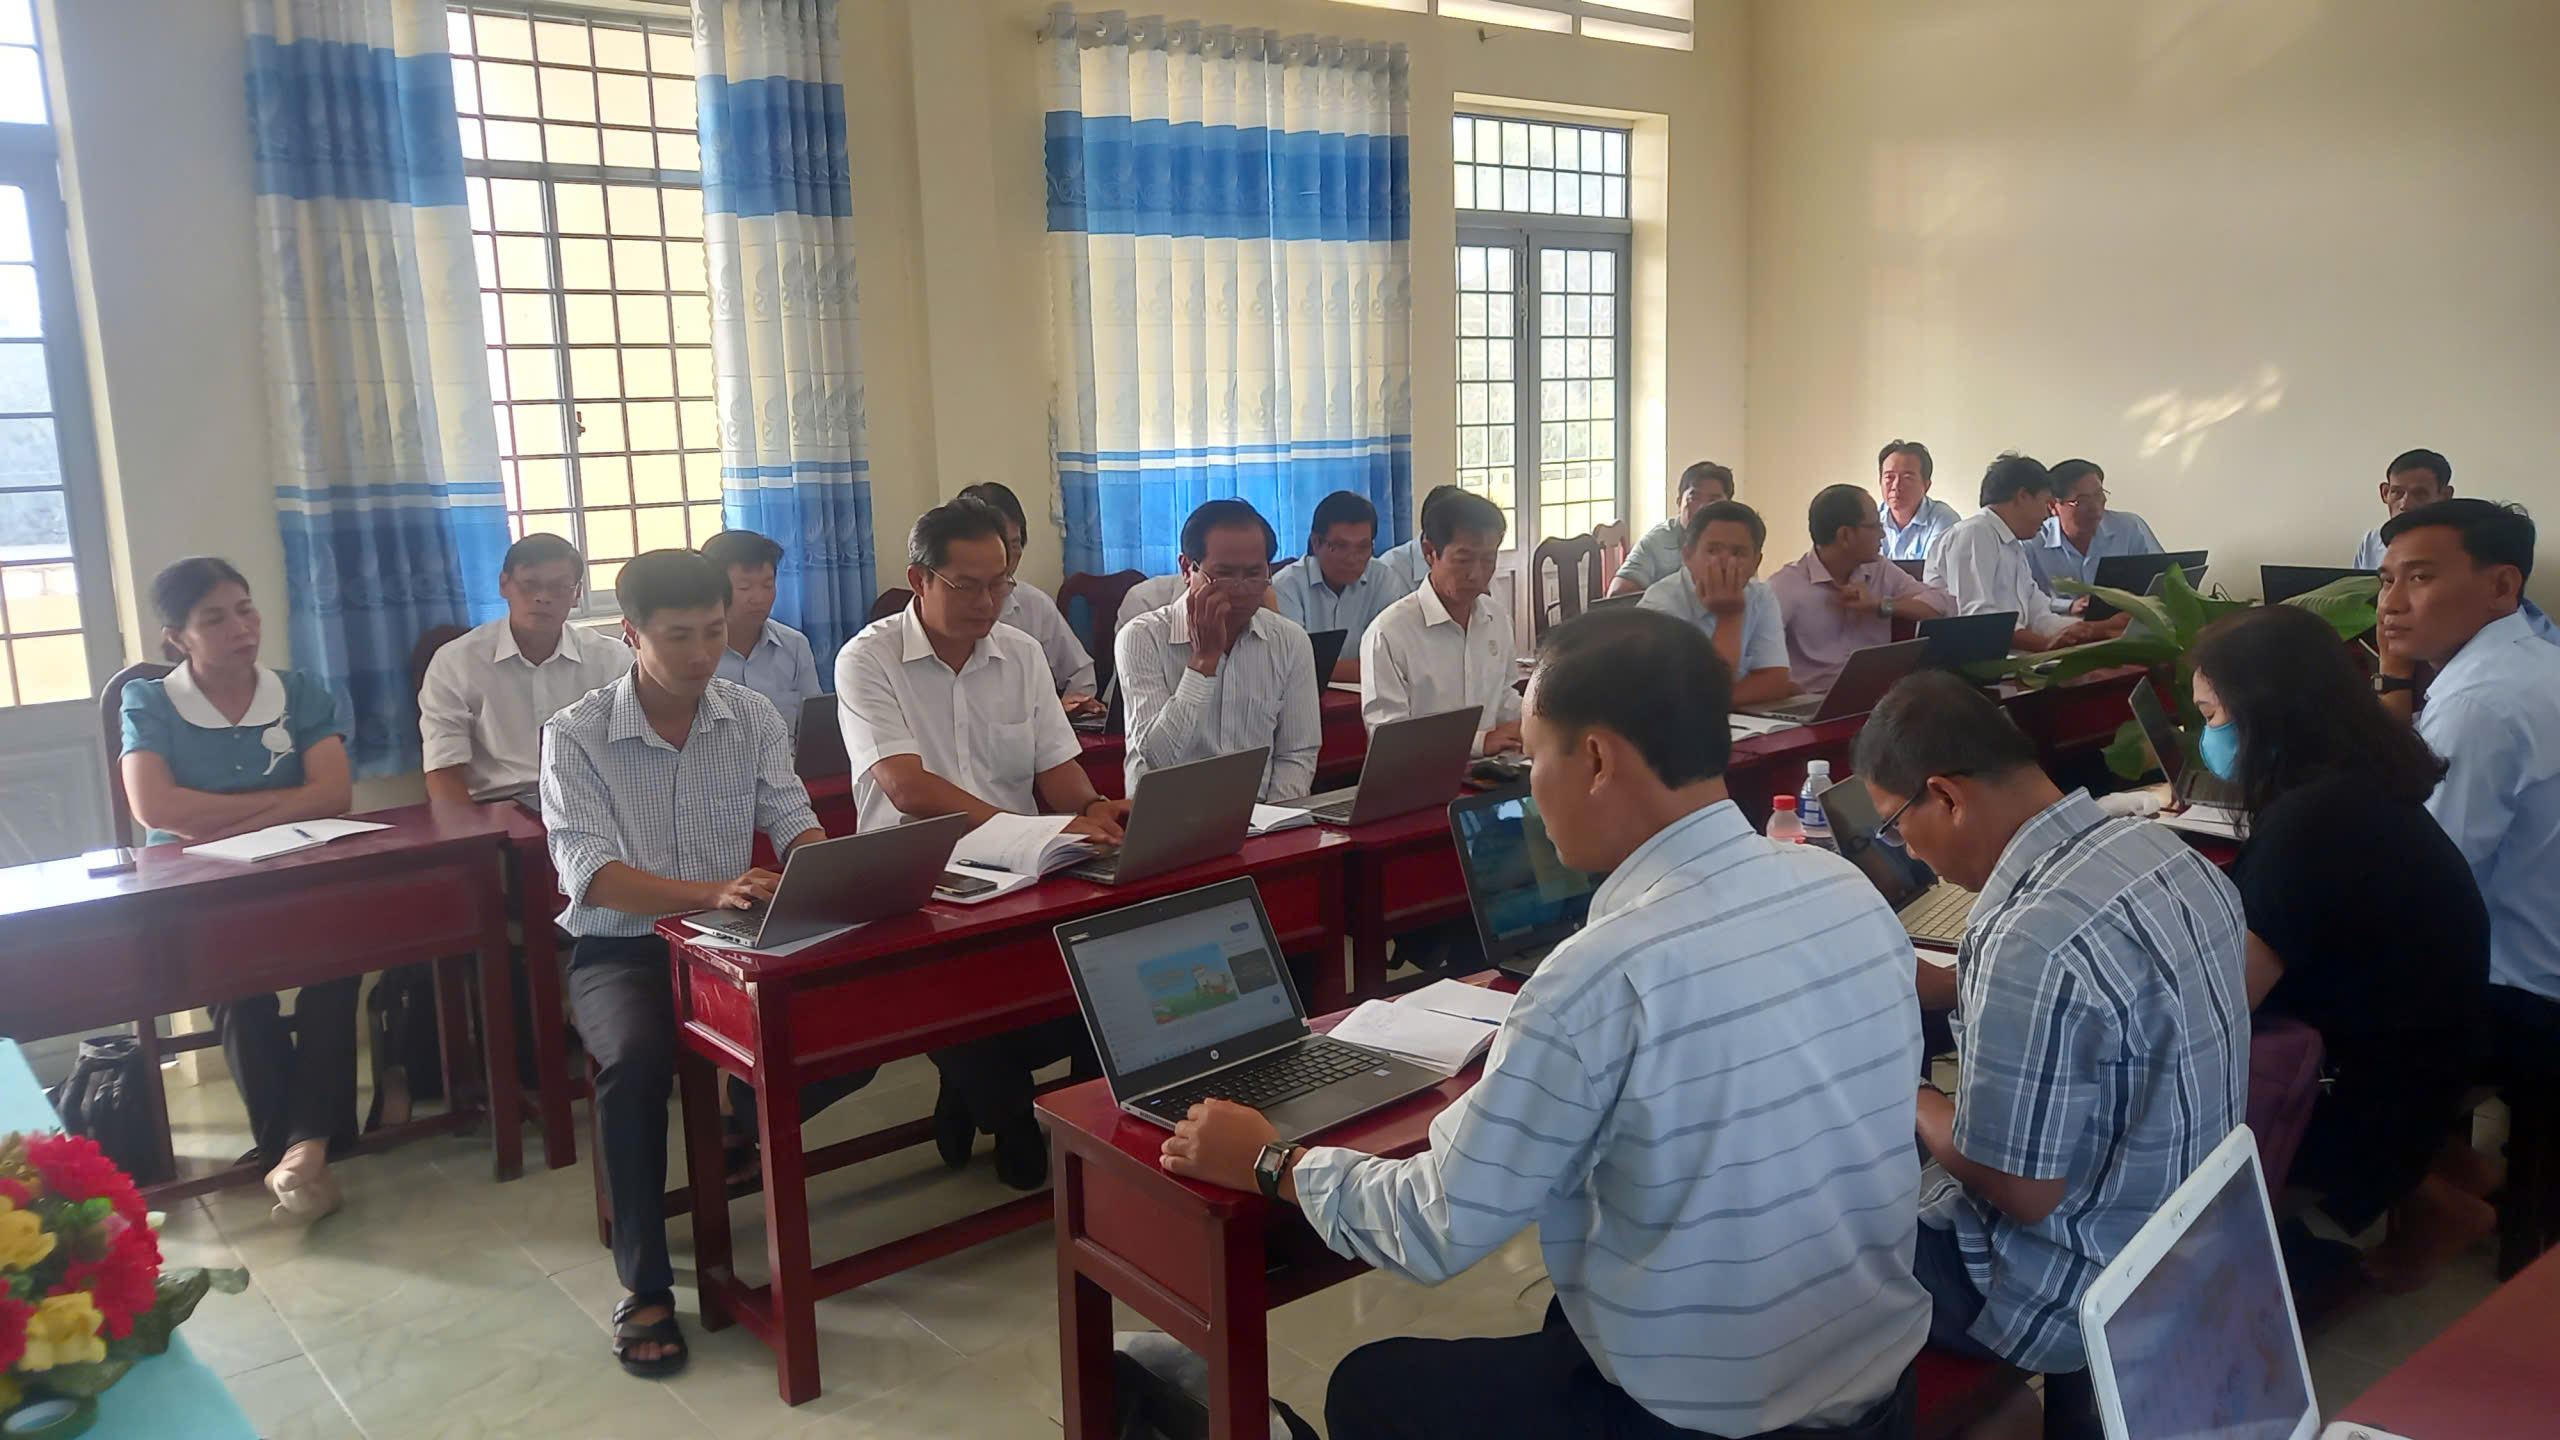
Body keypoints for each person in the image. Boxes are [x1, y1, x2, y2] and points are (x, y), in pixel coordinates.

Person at [1160, 607, 1929, 1440]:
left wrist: (1272, 1159)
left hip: (1713, 1416)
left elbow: (1436, 1224)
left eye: (1533, 759)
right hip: (1876, 1377)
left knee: (1366, 1388)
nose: (1530, 788)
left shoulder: (1600, 973)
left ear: (1595, 759)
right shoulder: (1843, 889)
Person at [1852, 671, 2248, 1440]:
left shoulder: (2027, 937)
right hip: (2186, 1238)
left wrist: (1904, 1092)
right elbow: (2103, 991)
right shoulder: (2163, 853)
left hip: (2069, 1287)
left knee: (1807, 1248)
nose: (1907, 851)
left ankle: (1983, 1411)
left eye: (1896, 827)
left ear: (1947, 796)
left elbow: (2020, 1191)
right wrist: (1949, 987)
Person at [541, 549, 870, 1377]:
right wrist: (711, 890)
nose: (700, 654)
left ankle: (731, 1115)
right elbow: (592, 875)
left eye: (714, 632)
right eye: (678, 636)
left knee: (853, 1022)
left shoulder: (749, 714)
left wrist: (823, 874)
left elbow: (793, 818)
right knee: (635, 1062)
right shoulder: (575, 733)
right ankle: (645, 1285)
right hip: (622, 947)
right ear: (631, 634)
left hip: (732, 942)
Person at [2188, 604, 2491, 1292]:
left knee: (2166, 1077)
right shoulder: (2355, 782)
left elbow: (2225, 1005)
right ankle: (2445, 1171)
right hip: (2436, 1040)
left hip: (2381, 1084)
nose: (2207, 736)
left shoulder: (2309, 823)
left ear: (2265, 715)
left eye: (2211, 715)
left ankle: (2429, 1198)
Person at [835, 498, 1127, 1187]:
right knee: (945, 994)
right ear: (919, 579)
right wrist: (1024, 829)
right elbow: (906, 787)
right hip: (914, 878)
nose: (988, 602)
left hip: (1025, 867)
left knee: (1107, 965)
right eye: (967, 586)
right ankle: (1009, 1113)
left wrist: (1094, 808)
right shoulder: (868, 658)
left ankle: (1082, 1119)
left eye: (1000, 583)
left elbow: (1054, 768)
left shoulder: (1021, 653)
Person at [121, 557, 359, 1221]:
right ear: (178, 636)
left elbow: (335, 794)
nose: (241, 628)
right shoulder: (150, 701)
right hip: (197, 883)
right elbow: (156, 809)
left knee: (340, 963)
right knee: (233, 981)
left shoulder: (299, 690)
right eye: (215, 618)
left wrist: (221, 816)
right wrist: (284, 803)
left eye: (246, 609)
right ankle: (305, 1149)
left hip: (297, 868)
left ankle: (297, 1150)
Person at [2375, 500, 2560, 1155]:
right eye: (2386, 580)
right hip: (2541, 955)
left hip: (2521, 995)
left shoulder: (2480, 703)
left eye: (2420, 577)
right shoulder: (2534, 657)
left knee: (2309, 1008)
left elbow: (2428, 883)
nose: (2391, 603)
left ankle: (2426, 1184)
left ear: (2502, 586)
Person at [1117, 499, 1321, 801]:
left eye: (1254, 574)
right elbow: (1158, 760)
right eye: (1224, 575)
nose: (1240, 589)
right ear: (1187, 568)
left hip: (1264, 817)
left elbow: (1297, 754)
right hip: (1167, 820)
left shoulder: (1290, 641)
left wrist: (1277, 819)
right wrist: (1203, 662)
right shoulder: (1142, 638)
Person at [417, 535, 632, 805]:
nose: (543, 597)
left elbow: (633, 751)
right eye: (530, 585)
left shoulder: (611, 658)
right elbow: (444, 768)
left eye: (559, 587)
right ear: (504, 585)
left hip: (590, 803)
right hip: (498, 806)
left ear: (577, 594)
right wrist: (467, 829)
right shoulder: (455, 662)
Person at [1362, 489, 1523, 757]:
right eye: (1463, 560)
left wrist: (1535, 723)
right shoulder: (1388, 634)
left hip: (1493, 771)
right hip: (1420, 777)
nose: (1476, 574)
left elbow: (1503, 697)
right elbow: (1391, 739)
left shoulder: (1496, 618)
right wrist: (1479, 743)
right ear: (1429, 552)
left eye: (1488, 559)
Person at [1768, 484, 1953, 691]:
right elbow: (1755, 658)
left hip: (1877, 699)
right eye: (1875, 526)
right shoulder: (1785, 587)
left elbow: (1943, 604)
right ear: (1845, 535)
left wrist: (1881, 605)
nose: (1882, 534)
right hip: (1814, 699)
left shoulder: (1879, 569)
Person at [1924, 453, 2110, 653]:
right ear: (2023, 496)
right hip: (1970, 663)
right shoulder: (1975, 533)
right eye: (2045, 503)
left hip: (2012, 658)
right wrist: (2046, 645)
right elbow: (1978, 619)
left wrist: (2101, 629)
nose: (2047, 515)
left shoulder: (2014, 545)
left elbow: (2040, 618)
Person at [955, 480, 1103, 717]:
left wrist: (1060, 714)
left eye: (1014, 545)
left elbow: (1080, 673)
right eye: (997, 545)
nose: (1005, 558)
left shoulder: (1034, 604)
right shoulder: (944, 611)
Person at [1635, 499, 1795, 705]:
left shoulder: (1760, 595)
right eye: (1712, 551)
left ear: (1756, 562)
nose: (1725, 562)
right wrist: (1729, 616)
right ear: (1688, 556)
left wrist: (1713, 701)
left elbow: (1775, 680)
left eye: (1738, 553)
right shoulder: (1661, 606)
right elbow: (1696, 694)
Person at [1271, 489, 1411, 682]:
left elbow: (1394, 659)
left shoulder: (1384, 579)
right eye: (1340, 546)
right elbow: (1293, 665)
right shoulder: (1286, 586)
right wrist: (1370, 668)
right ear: (1316, 542)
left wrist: (1321, 667)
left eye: (1363, 547)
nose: (1352, 558)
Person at [701, 529, 823, 738]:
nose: (759, 598)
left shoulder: (794, 645)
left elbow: (815, 724)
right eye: (744, 587)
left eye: (768, 585)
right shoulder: (693, 652)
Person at [2027, 459, 2162, 616]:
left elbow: (2162, 578)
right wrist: (2068, 606)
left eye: (2099, 495)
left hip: (2126, 620)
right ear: (2052, 505)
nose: (2095, 507)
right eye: (2082, 500)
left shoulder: (2130, 527)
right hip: (2063, 626)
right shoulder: (2032, 541)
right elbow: (2021, 598)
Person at [1605, 459, 1734, 595]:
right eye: (1694, 498)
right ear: (1679, 502)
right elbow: (1618, 594)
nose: (1702, 507)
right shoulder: (1656, 542)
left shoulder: (1738, 539)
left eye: (1713, 501)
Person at [2352, 448, 2454, 569]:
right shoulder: (2372, 542)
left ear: (2445, 496)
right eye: (2397, 492)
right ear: (2385, 493)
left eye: (2419, 494)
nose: (2405, 505)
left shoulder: (2460, 546)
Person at [1877, 439, 1962, 562]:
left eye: (1907, 478)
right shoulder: (1871, 519)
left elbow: (1935, 572)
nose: (1896, 485)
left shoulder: (1944, 520)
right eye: (1889, 477)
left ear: (1926, 485)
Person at [1374, 482, 1464, 594]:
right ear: (1429, 549)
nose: (1474, 574)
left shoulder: (1481, 563)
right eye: (1463, 559)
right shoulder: (1390, 570)